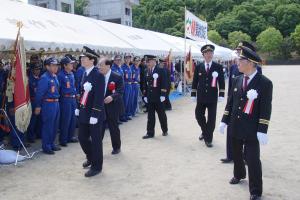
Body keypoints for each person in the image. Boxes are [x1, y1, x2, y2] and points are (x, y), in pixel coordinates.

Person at [219, 44, 273, 200]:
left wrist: (262, 129)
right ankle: (239, 174)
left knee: (252, 159)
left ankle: (255, 190)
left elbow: (265, 108)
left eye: (240, 60)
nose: (237, 63)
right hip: (235, 124)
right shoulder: (236, 79)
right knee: (236, 154)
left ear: (250, 62)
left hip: (252, 128)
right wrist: (224, 120)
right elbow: (231, 103)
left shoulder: (264, 83)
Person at [221, 41, 263, 163]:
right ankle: (230, 155)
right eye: (238, 51)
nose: (238, 53)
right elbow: (231, 86)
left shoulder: (257, 69)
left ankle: (245, 156)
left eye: (241, 51)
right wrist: (229, 100)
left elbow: (257, 89)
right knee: (231, 131)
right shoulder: (234, 67)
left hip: (248, 105)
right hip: (234, 103)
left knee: (247, 132)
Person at [75, 46, 105, 177]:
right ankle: (91, 157)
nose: (82, 60)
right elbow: (82, 93)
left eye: (84, 58)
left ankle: (97, 166)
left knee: (96, 140)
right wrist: (78, 106)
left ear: (92, 60)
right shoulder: (84, 73)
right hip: (84, 111)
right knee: (82, 137)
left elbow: (99, 96)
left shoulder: (98, 75)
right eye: (81, 58)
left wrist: (95, 114)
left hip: (94, 114)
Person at [191, 44, 225, 148]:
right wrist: (193, 93)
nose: (209, 55)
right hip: (201, 97)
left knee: (211, 119)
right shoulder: (199, 66)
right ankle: (205, 132)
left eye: (211, 53)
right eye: (207, 53)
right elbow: (195, 81)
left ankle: (208, 139)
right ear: (203, 55)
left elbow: (222, 82)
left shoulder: (218, 67)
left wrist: (221, 94)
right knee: (198, 115)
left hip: (212, 97)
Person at [35, 57, 61, 155]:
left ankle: (52, 143)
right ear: (47, 66)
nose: (56, 67)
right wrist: (38, 106)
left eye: (56, 65)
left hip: (56, 103)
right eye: (53, 65)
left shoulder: (54, 76)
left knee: (55, 125)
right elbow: (39, 93)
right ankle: (46, 146)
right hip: (48, 103)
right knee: (48, 125)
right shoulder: (44, 78)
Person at [98, 58, 124, 155]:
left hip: (112, 105)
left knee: (113, 127)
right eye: (99, 65)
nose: (99, 67)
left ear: (108, 66)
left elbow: (120, 91)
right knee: (99, 127)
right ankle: (97, 147)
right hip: (100, 106)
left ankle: (116, 147)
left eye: (101, 65)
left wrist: (112, 97)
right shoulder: (98, 76)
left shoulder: (117, 77)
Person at [142, 55, 168, 139]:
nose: (147, 63)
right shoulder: (146, 70)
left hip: (158, 97)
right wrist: (145, 95)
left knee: (161, 115)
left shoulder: (160, 70)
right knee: (150, 116)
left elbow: (164, 83)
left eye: (148, 62)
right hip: (150, 97)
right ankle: (150, 133)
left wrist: (163, 94)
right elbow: (145, 84)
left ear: (153, 61)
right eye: (146, 62)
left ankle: (165, 130)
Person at [57, 56, 78, 147]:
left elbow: (73, 86)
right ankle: (63, 139)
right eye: (70, 63)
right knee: (66, 119)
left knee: (73, 119)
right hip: (65, 99)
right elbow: (58, 89)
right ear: (65, 65)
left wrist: (76, 93)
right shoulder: (60, 75)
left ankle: (70, 136)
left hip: (73, 99)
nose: (72, 65)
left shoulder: (72, 74)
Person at [27, 63, 42, 143]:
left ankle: (38, 134)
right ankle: (31, 136)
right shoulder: (30, 79)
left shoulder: (40, 78)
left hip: (39, 101)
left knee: (39, 119)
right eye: (36, 69)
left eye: (39, 69)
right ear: (32, 70)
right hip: (32, 101)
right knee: (32, 120)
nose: (38, 71)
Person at [121, 54, 133, 121]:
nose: (127, 59)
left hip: (130, 84)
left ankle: (127, 114)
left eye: (129, 58)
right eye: (126, 58)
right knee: (125, 101)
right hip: (125, 85)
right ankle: (122, 116)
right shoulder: (123, 67)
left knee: (129, 101)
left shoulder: (129, 67)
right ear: (124, 59)